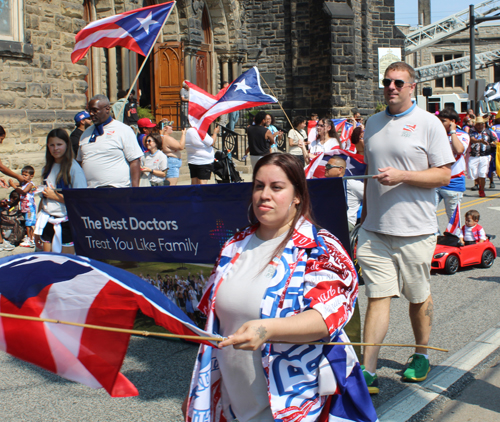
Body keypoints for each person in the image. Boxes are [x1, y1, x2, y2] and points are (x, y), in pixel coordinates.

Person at [183, 153, 375, 422]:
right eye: (259, 186)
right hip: (232, 404)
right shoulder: (234, 246)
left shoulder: (321, 248)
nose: (264, 194)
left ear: (297, 195)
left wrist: (267, 329)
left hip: (296, 405)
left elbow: (326, 318)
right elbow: (215, 327)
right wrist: (199, 392)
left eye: (277, 187)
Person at [357, 62, 454, 394]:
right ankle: (368, 370)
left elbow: (443, 176)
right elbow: (371, 173)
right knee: (377, 295)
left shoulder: (428, 124)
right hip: (375, 229)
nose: (391, 87)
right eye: (386, 82)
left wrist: (403, 176)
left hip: (416, 229)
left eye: (398, 82)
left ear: (413, 86)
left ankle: (421, 353)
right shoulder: (372, 123)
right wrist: (364, 216)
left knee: (417, 296)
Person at [34, 128, 87, 254]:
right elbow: (44, 198)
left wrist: (56, 196)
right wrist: (38, 225)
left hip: (66, 222)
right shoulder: (47, 168)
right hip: (48, 220)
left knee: (65, 265)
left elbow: (80, 199)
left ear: (66, 145)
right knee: (48, 262)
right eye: (52, 145)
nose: (55, 148)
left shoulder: (73, 169)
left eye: (59, 144)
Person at [77, 95, 143, 188]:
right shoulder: (85, 133)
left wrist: (135, 189)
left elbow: (134, 160)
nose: (91, 114)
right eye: (89, 111)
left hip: (116, 189)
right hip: (90, 191)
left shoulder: (123, 130)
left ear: (107, 109)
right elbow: (80, 161)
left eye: (95, 110)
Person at [436, 108, 470, 223]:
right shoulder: (437, 135)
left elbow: (459, 150)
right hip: (436, 181)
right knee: (427, 212)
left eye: (443, 121)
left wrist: (453, 132)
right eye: (439, 120)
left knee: (453, 218)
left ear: (453, 122)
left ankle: (454, 238)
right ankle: (435, 236)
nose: (440, 123)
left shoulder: (462, 135)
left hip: (453, 183)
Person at [468, 116, 497, 197]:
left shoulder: (488, 131)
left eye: (481, 124)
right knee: (474, 173)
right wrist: (479, 141)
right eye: (478, 124)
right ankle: (477, 183)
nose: (480, 126)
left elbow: (494, 140)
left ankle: (482, 190)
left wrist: (493, 143)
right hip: (474, 156)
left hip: (485, 156)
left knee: (482, 173)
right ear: (475, 125)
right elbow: (471, 139)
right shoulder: (471, 131)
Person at [9, 165, 36, 247]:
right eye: (22, 175)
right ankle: (31, 238)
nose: (23, 177)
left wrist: (13, 185)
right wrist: (11, 183)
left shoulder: (30, 184)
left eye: (25, 175)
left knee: (29, 224)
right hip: (25, 208)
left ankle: (30, 239)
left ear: (31, 176)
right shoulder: (23, 183)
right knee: (27, 224)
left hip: (29, 208)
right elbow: (17, 184)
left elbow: (23, 192)